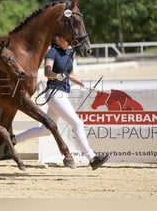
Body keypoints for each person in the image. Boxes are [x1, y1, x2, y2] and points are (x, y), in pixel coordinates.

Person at [13, 36, 109, 170]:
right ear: (57, 39)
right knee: (77, 123)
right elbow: (47, 71)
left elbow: (71, 74)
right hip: (55, 94)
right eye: (65, 38)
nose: (68, 40)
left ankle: (13, 140)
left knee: (45, 130)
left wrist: (86, 85)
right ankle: (92, 158)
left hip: (63, 93)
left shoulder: (69, 53)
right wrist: (57, 75)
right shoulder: (52, 52)